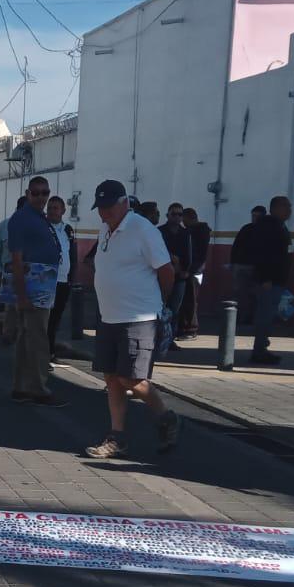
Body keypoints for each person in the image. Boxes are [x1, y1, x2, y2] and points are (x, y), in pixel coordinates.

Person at [85, 179, 182, 459]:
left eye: (109, 207)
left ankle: (167, 417)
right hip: (109, 316)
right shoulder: (105, 229)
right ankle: (116, 436)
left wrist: (159, 304)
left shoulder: (143, 230)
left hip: (138, 317)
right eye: (100, 208)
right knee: (112, 378)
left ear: (124, 203)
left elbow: (167, 272)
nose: (104, 213)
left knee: (130, 378)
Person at [5, 175, 65, 406]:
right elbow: (17, 259)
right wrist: (21, 295)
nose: (41, 197)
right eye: (36, 193)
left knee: (28, 338)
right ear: (28, 194)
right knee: (38, 338)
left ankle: (21, 387)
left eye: (45, 193)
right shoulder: (21, 219)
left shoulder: (40, 218)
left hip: (42, 285)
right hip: (32, 288)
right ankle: (38, 388)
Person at [245, 195, 294, 365]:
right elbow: (262, 253)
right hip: (268, 280)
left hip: (276, 279)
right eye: (285, 207)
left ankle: (262, 347)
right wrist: (265, 277)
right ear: (275, 208)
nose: (289, 211)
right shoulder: (267, 227)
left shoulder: (279, 226)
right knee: (264, 315)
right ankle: (259, 350)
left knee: (269, 314)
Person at [0, 196, 25, 346]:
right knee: (9, 306)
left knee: (26, 306)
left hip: (28, 273)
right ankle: (7, 335)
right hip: (8, 273)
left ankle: (24, 337)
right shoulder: (4, 225)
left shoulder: (36, 226)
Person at [46, 194, 78, 359]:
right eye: (49, 208)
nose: (52, 211)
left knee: (55, 318)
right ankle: (42, 352)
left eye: (55, 208)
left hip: (63, 281)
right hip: (45, 281)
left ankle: (50, 351)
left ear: (63, 210)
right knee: (44, 318)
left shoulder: (67, 230)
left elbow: (72, 254)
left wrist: (72, 277)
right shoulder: (43, 226)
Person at [160, 202, 193, 336]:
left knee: (175, 308)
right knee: (161, 306)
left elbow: (189, 253)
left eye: (180, 214)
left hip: (180, 276)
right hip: (162, 275)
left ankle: (170, 338)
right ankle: (158, 336)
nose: (177, 217)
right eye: (174, 214)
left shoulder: (186, 233)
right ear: (168, 215)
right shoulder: (160, 231)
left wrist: (186, 270)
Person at [229, 204, 267, 320]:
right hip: (240, 265)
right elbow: (236, 246)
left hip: (257, 267)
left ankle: (251, 317)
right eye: (253, 216)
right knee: (238, 293)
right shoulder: (246, 228)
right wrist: (233, 262)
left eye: (257, 216)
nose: (254, 218)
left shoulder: (266, 231)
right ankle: (235, 316)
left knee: (254, 294)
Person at [180, 207, 210, 338]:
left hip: (194, 270)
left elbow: (197, 254)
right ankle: (189, 327)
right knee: (191, 299)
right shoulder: (201, 232)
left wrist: (189, 270)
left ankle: (190, 328)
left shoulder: (194, 233)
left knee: (190, 300)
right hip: (196, 270)